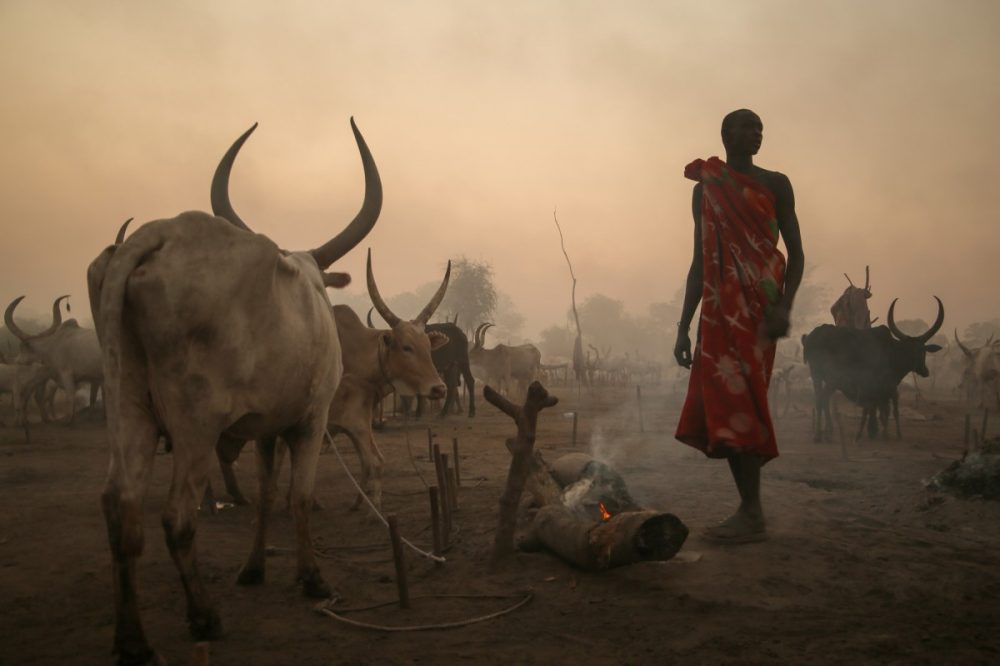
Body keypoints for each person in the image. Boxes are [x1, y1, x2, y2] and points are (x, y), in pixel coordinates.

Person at [673, 109, 804, 543]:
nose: (757, 135)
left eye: (761, 129)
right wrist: (683, 325)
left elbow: (797, 254)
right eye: (748, 128)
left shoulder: (776, 183)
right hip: (717, 312)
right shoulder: (707, 189)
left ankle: (752, 513)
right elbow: (699, 262)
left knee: (745, 403)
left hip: (759, 311)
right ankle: (751, 511)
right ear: (726, 134)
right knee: (728, 408)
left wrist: (785, 306)